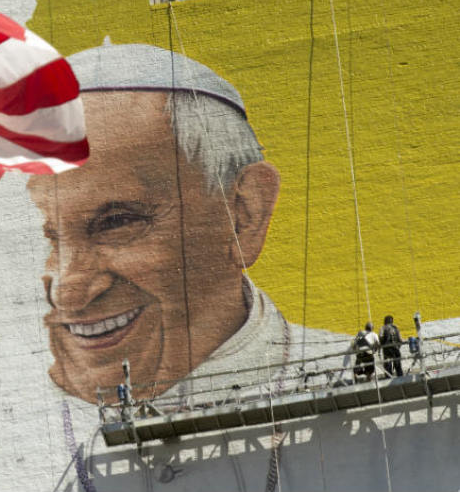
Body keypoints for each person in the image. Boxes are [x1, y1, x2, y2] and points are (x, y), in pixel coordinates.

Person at [27, 43, 346, 405]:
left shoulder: (365, 383)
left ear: (244, 215)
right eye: (43, 236)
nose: (67, 292)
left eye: (116, 223)